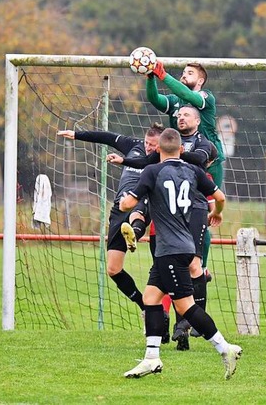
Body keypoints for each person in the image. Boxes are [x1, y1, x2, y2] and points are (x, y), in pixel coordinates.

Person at [119, 128, 242, 380]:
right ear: (181, 149)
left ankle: (224, 348)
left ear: (158, 150)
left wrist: (123, 203)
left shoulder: (153, 171)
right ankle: (151, 358)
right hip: (184, 246)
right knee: (151, 297)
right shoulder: (194, 171)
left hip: (170, 251)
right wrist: (216, 212)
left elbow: (129, 204)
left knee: (185, 306)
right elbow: (220, 196)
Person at [108, 106, 213, 351]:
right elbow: (146, 160)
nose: (181, 117)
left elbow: (205, 166)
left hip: (193, 214)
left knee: (191, 270)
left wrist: (215, 211)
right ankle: (158, 347)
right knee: (157, 286)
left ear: (198, 119)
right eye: (179, 115)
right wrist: (125, 160)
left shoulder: (202, 145)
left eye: (186, 114)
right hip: (165, 222)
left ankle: (198, 330)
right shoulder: (157, 162)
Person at [56, 125, 169, 341]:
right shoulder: (133, 146)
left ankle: (134, 233)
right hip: (119, 209)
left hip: (143, 201)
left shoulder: (160, 159)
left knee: (137, 210)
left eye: (153, 146)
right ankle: (145, 306)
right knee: (113, 269)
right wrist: (77, 134)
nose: (149, 148)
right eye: (147, 143)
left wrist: (122, 161)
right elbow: (106, 137)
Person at [145, 60, 225, 188]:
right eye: (183, 72)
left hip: (209, 161)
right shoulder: (174, 100)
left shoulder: (206, 97)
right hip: (182, 160)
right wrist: (150, 77)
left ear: (200, 81)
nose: (184, 75)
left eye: (190, 73)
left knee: (209, 204)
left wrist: (164, 75)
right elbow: (153, 98)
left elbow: (186, 94)